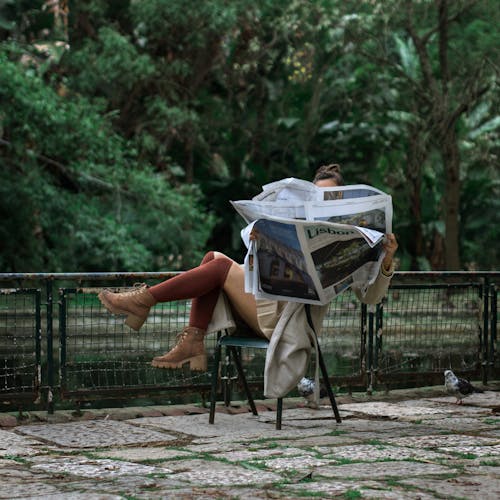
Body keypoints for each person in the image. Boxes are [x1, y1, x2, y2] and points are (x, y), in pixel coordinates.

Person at [98, 164, 398, 372]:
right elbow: (262, 276)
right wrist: (260, 243)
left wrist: (385, 260)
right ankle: (191, 340)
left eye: (328, 199)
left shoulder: (358, 241)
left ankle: (146, 303)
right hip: (264, 309)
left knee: (217, 267)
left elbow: (370, 298)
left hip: (292, 327)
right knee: (213, 258)